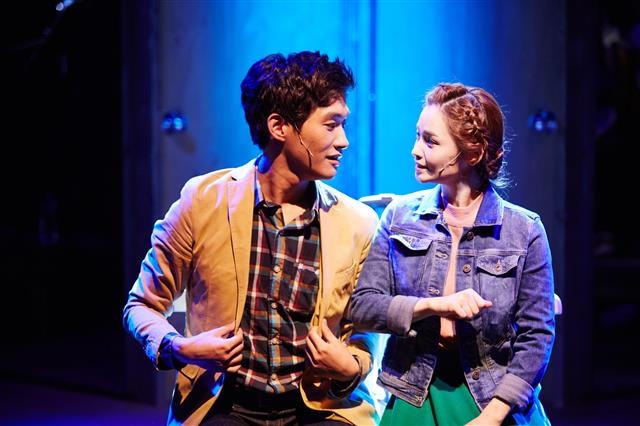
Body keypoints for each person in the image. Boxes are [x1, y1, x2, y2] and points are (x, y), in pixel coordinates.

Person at [122, 51, 380, 425]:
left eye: (344, 125)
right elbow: (141, 305)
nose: (344, 141)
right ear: (279, 126)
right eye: (331, 125)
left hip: (320, 407)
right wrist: (182, 348)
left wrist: (351, 366)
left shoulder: (357, 222)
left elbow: (364, 329)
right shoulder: (203, 201)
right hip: (226, 403)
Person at [347, 82, 556, 425]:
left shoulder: (524, 230)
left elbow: (537, 337)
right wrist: (433, 306)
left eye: (430, 141)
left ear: (472, 154)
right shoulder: (399, 217)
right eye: (417, 136)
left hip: (492, 394)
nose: (415, 150)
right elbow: (363, 307)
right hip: (415, 386)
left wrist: (493, 416)